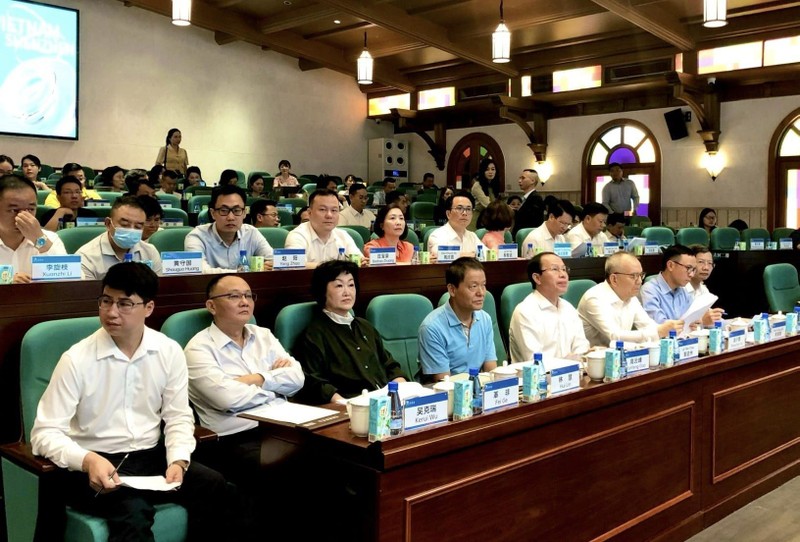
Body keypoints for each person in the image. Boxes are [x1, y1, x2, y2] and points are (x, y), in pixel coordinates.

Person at [30, 262, 241, 541]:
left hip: (148, 457)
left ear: (149, 308)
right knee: (133, 511)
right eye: (106, 301)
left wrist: (178, 459)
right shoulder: (77, 359)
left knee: (216, 486)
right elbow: (44, 433)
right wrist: (87, 460)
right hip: (93, 462)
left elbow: (178, 417)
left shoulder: (167, 351)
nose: (111, 312)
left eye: (125, 304)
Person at [184, 274, 304, 489]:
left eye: (248, 295)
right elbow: (227, 399)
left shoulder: (263, 335)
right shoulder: (198, 349)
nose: (244, 302)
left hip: (283, 426)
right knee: (292, 469)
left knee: (335, 456)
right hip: (236, 437)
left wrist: (255, 379)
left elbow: (297, 379)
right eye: (234, 296)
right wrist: (275, 388)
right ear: (211, 306)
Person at [296, 260, 407, 404]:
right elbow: (316, 383)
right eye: (339, 285)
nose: (347, 292)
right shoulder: (314, 334)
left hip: (386, 400)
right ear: (322, 290)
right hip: (352, 405)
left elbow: (390, 365)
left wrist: (404, 391)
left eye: (351, 285)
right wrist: (344, 404)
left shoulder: (365, 326)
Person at [578, 252, 682, 346]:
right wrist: (658, 332)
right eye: (633, 276)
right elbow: (615, 336)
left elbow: (647, 325)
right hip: (593, 361)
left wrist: (669, 328)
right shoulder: (594, 298)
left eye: (641, 275)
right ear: (614, 279)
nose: (640, 281)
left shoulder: (631, 297)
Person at [419, 257, 497, 380]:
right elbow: (443, 382)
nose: (481, 292)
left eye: (483, 285)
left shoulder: (485, 319)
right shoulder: (432, 327)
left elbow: (491, 370)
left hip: (479, 391)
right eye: (473, 286)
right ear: (452, 289)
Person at [509, 252, 590, 362]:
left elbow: (582, 347)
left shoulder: (568, 308)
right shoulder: (525, 312)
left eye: (564, 269)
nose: (563, 275)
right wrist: (572, 360)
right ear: (537, 278)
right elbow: (535, 361)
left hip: (572, 374)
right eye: (555, 269)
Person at [184, 184, 273, 271]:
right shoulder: (197, 236)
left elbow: (274, 261)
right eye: (224, 210)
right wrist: (247, 271)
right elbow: (200, 271)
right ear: (213, 213)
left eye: (237, 210)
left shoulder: (251, 233)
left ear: (244, 213)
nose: (231, 217)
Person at [0, 175, 66, 283]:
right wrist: (5, 279)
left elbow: (69, 281)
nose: (23, 216)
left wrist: (39, 240)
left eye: (30, 209)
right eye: (13, 210)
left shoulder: (50, 239)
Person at [76, 196, 163, 279]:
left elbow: (158, 291)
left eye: (138, 226)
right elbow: (89, 293)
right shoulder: (86, 257)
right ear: (108, 224)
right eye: (125, 225)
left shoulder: (150, 252)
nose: (131, 230)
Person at [285, 189, 361, 265]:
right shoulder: (297, 236)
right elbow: (295, 266)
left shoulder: (343, 236)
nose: (329, 215)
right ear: (309, 213)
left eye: (334, 210)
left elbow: (359, 261)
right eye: (322, 209)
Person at [639, 244, 695, 323]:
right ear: (670, 265)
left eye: (694, 269)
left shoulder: (684, 291)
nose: (691, 274)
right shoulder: (649, 290)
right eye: (688, 268)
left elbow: (692, 318)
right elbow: (659, 325)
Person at [426, 190, 484, 259]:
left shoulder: (473, 236)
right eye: (459, 208)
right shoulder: (437, 236)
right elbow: (440, 256)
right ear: (448, 214)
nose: (464, 213)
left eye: (468, 209)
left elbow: (488, 255)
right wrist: (474, 255)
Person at [687, 245, 725, 324]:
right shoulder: (679, 290)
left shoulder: (703, 289)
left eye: (710, 263)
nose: (706, 268)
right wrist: (702, 321)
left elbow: (711, 319)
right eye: (701, 262)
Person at [512, 169, 545, 235]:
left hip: (528, 236)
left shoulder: (535, 198)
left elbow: (529, 219)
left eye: (523, 178)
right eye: (519, 178)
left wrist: (512, 212)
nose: (519, 181)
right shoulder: (526, 198)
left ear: (532, 181)